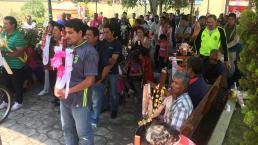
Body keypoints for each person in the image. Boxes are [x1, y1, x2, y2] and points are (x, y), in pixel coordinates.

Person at [55, 19, 99, 145]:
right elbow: (61, 71)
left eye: (70, 32)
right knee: (67, 130)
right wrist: (56, 87)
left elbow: (90, 81)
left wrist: (67, 91)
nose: (66, 35)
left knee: (84, 135)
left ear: (80, 33)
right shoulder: (68, 48)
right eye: (66, 32)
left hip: (80, 100)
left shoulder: (89, 52)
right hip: (65, 99)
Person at [0, 16, 27, 111]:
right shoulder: (3, 34)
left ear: (13, 25)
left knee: (17, 84)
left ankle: (19, 102)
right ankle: (5, 101)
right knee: (5, 83)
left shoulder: (18, 36)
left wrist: (6, 53)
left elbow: (20, 52)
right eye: (4, 23)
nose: (4, 25)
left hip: (16, 66)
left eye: (6, 23)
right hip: (5, 64)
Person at [86, 27, 110, 127]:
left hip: (97, 79)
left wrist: (100, 79)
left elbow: (107, 66)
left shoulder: (103, 48)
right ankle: (87, 118)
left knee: (96, 101)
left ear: (96, 37)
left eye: (89, 35)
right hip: (86, 79)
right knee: (87, 101)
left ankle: (95, 120)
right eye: (85, 34)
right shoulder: (84, 46)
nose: (86, 37)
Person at [102, 24, 122, 119]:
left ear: (112, 33)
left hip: (113, 71)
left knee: (114, 92)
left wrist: (104, 59)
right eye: (104, 32)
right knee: (104, 90)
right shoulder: (102, 42)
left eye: (107, 32)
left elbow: (113, 60)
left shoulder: (117, 43)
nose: (105, 34)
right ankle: (106, 106)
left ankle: (114, 110)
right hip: (103, 71)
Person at [224, 13, 241, 86]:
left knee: (232, 66)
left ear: (235, 20)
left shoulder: (237, 28)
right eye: (229, 19)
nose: (230, 21)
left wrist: (226, 46)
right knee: (225, 65)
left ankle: (231, 82)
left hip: (233, 51)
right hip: (224, 50)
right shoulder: (225, 27)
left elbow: (235, 41)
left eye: (232, 20)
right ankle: (225, 80)